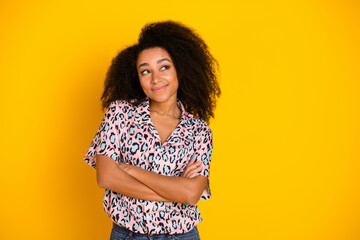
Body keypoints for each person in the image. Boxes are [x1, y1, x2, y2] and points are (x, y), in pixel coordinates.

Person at [84, 20, 221, 240]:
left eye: (164, 67)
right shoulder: (120, 113)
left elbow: (191, 193)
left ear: (180, 68)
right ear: (137, 78)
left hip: (182, 235)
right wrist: (174, 192)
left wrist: (132, 170)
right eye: (145, 71)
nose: (156, 79)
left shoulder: (199, 131)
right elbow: (107, 177)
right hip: (128, 234)